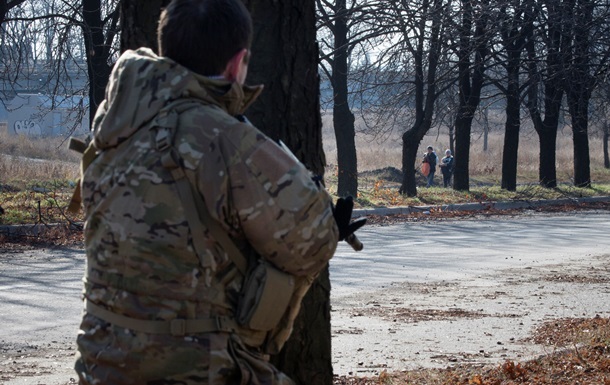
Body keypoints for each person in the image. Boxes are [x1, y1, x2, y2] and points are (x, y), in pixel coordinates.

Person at [73, 1, 364, 384]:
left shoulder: (113, 127)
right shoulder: (224, 138)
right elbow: (309, 242)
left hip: (100, 362)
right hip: (193, 366)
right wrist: (326, 221)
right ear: (237, 63)